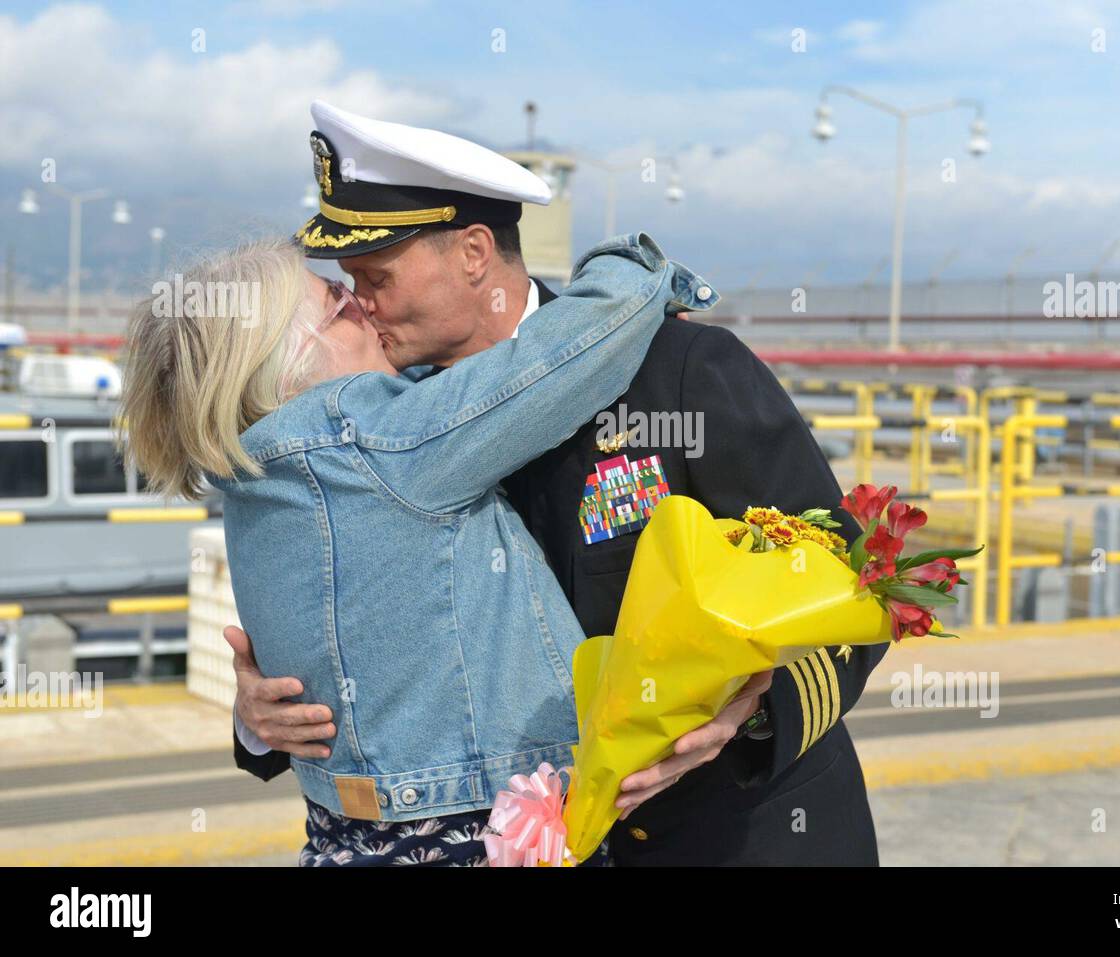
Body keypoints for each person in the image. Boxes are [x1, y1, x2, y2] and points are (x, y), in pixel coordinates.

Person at [231, 101, 890, 866]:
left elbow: (851, 578)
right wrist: (258, 716)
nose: (361, 303)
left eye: (376, 276)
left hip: (747, 836)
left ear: (474, 252)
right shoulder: (384, 432)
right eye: (346, 283)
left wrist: (754, 711)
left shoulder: (677, 373)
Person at [121, 221, 712, 865]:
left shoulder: (251, 477)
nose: (363, 304)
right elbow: (573, 351)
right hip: (475, 837)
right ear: (282, 362)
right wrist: (633, 263)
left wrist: (251, 723)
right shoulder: (370, 437)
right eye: (338, 303)